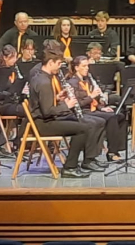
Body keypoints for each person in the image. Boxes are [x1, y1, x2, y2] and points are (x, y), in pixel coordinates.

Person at [29, 50, 106, 178]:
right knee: (83, 129)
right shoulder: (44, 82)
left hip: (45, 119)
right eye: (58, 63)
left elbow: (44, 102)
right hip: (43, 124)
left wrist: (58, 98)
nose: (60, 67)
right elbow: (47, 111)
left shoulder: (41, 77)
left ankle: (85, 160)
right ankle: (70, 167)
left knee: (84, 123)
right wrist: (67, 105)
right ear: (50, 63)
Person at [68, 55, 126, 162]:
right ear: (76, 68)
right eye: (84, 66)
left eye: (88, 66)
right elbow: (77, 104)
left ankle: (118, 148)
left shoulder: (88, 79)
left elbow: (94, 101)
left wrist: (101, 107)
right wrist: (92, 96)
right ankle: (112, 152)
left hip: (93, 109)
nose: (87, 68)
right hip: (84, 112)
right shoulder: (73, 83)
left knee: (120, 116)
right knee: (112, 118)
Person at [0, 45, 27, 118]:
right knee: (26, 110)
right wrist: (11, 90)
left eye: (16, 57)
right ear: (5, 58)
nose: (15, 60)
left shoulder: (14, 69)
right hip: (3, 105)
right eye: (12, 57)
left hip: (13, 102)